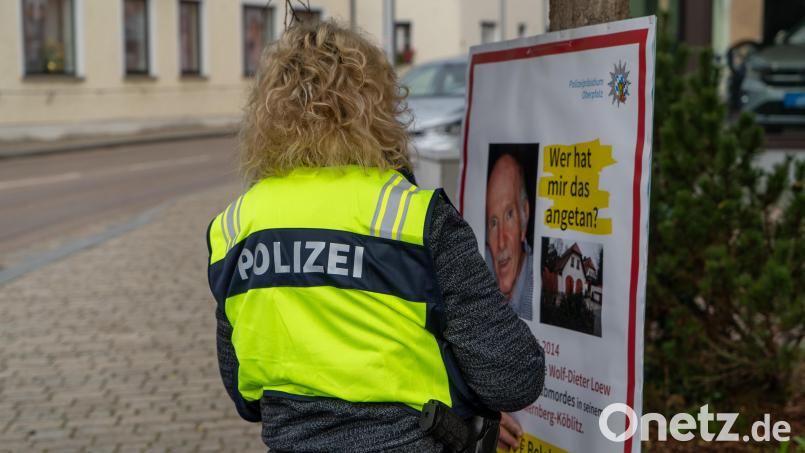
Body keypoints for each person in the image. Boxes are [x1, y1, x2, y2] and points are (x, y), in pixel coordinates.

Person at [206, 19, 544, 452]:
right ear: (376, 107)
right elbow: (514, 376)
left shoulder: (234, 228)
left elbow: (243, 392)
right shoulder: (414, 217)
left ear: (266, 116)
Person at [486, 154, 534, 321]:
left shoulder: (538, 289)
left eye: (509, 215)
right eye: (493, 223)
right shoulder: (481, 270)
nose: (501, 243)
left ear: (524, 215)